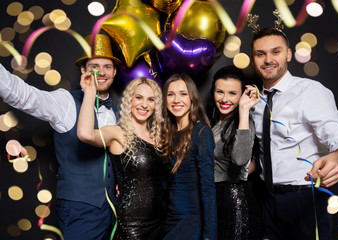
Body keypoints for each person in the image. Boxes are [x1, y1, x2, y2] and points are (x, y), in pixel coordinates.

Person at [0, 34, 120, 239]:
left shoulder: (118, 111)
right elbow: (26, 96)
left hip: (113, 211)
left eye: (107, 66)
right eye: (94, 66)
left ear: (115, 71)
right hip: (79, 209)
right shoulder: (65, 102)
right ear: (83, 70)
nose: (101, 72)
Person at [249, 27, 338, 240]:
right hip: (267, 200)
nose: (268, 59)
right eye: (260, 54)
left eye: (276, 52)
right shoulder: (254, 101)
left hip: (306, 200)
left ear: (289, 54)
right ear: (253, 59)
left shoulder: (310, 91)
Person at [77, 76, 166, 240]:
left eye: (150, 99)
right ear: (129, 100)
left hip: (160, 223)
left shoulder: (159, 139)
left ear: (156, 104)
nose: (144, 104)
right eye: (138, 97)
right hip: (132, 225)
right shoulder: (118, 133)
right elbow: (85, 134)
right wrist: (90, 92)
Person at [207, 65, 261, 240]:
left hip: (233, 200)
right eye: (220, 92)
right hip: (213, 199)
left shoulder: (244, 123)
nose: (224, 99)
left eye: (232, 93)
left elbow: (239, 159)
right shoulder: (213, 122)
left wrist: (244, 110)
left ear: (242, 95)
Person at [161, 73, 217, 240]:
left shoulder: (201, 132)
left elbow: (208, 189)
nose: (176, 100)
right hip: (170, 219)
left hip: (192, 221)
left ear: (192, 97)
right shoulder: (167, 134)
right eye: (171, 94)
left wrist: (209, 236)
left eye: (183, 94)